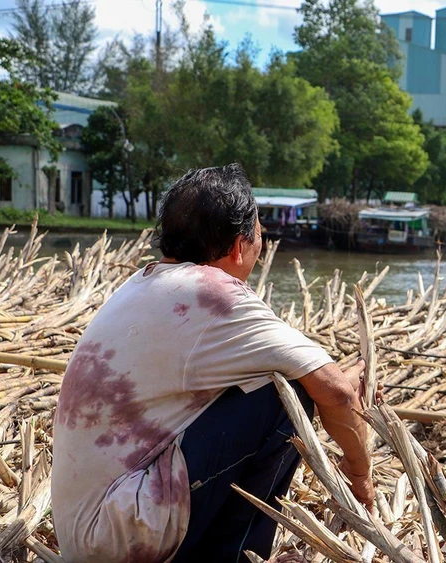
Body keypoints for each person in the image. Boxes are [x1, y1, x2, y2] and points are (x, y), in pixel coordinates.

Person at [51, 164, 374, 562]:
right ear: (239, 246)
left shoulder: (141, 283)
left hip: (87, 535)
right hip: (119, 538)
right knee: (286, 395)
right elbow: (337, 393)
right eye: (259, 235)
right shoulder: (215, 296)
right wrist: (360, 475)